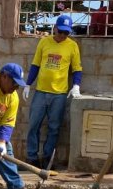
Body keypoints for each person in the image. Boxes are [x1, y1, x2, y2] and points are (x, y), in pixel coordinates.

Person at [22, 14, 83, 168]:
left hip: (59, 94)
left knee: (54, 128)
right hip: (41, 92)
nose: (62, 35)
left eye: (66, 33)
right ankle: (32, 157)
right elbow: (36, 64)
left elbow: (77, 69)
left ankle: (47, 159)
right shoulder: (44, 42)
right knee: (33, 125)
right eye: (60, 31)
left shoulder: (72, 46)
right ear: (54, 28)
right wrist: (28, 84)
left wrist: (76, 85)